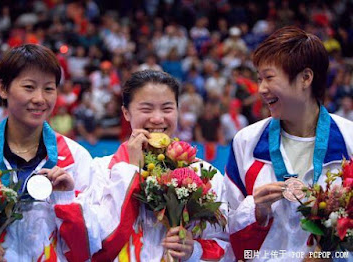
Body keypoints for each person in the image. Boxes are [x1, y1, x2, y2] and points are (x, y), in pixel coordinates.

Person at [0, 44, 105, 261]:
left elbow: (89, 248)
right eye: (29, 87)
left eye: (49, 89)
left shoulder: (76, 159)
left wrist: (67, 199)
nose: (40, 99)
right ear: (3, 88)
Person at [224, 26, 353, 261]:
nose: (261, 89)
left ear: (306, 78)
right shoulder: (246, 141)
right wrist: (256, 211)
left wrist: (331, 253)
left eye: (269, 77)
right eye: (259, 79)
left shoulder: (349, 139)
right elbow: (226, 231)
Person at [75, 70, 233, 261]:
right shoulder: (100, 170)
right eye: (146, 109)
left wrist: (195, 250)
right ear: (126, 113)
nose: (158, 119)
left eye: (167, 109)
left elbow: (228, 242)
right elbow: (89, 238)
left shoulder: (205, 175)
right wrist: (129, 171)